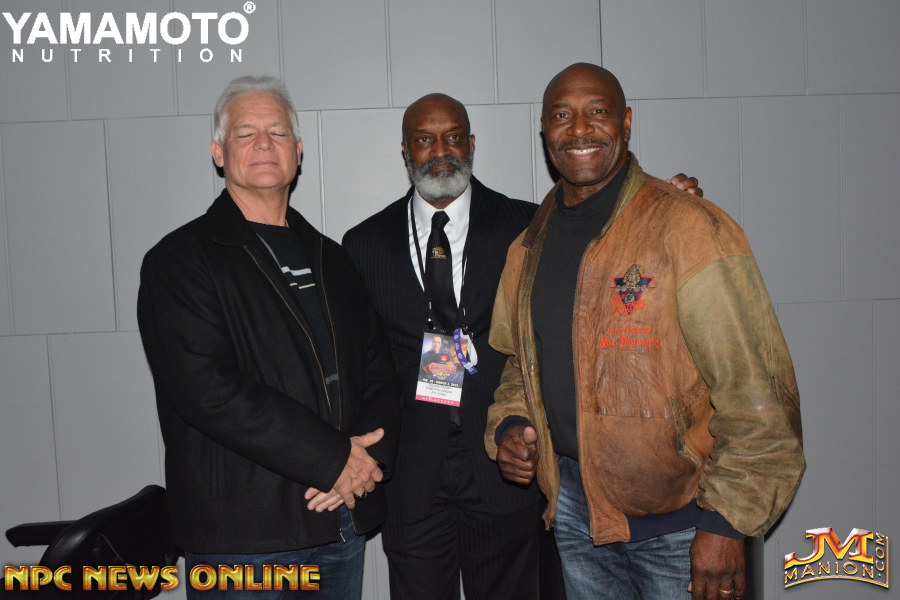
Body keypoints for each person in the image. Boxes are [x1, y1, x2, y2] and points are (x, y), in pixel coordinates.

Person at [343, 92, 703, 600]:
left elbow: (604, 242)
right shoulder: (363, 244)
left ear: (471, 144)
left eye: (453, 137)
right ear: (406, 150)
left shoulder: (530, 224)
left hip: (505, 464)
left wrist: (669, 202)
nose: (440, 151)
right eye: (424, 140)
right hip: (411, 474)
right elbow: (364, 363)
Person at [485, 63, 805, 600]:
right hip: (577, 516)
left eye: (597, 112)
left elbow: (759, 391)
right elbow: (521, 362)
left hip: (684, 524)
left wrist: (727, 523)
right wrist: (512, 425)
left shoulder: (690, 227)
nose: (579, 129)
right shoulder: (528, 247)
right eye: (562, 115)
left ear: (627, 123)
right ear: (544, 131)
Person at [137, 75, 399, 599]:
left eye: (278, 132)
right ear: (219, 153)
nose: (263, 143)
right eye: (245, 133)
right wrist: (334, 461)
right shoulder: (180, 260)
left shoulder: (333, 258)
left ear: (297, 153)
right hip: (244, 536)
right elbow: (208, 391)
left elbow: (378, 370)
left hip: (339, 523)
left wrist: (365, 464)